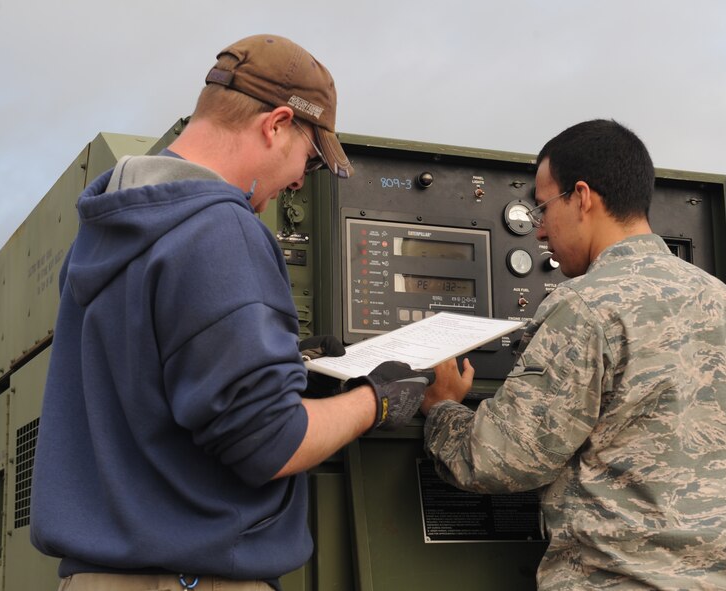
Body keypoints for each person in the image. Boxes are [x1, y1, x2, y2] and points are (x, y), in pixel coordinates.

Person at [30, 34, 431, 591]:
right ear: (277, 124)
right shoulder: (221, 230)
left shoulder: (106, 230)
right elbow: (271, 443)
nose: (298, 179)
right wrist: (377, 401)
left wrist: (282, 363)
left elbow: (154, 386)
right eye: (309, 159)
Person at [421, 119, 726, 590]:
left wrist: (442, 409)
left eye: (543, 207)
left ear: (582, 197)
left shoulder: (583, 308)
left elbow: (499, 458)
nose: (539, 232)